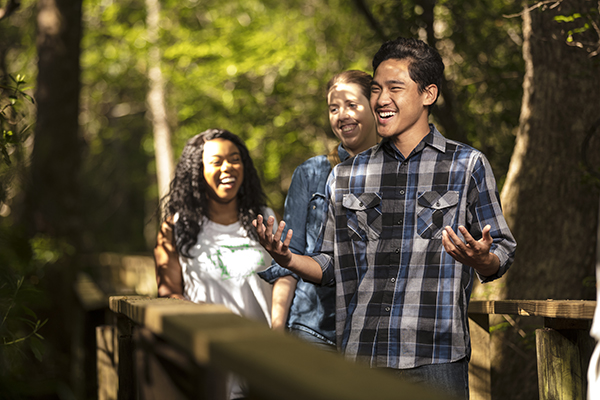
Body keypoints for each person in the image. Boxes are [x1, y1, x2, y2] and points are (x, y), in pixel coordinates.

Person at [253, 37, 517, 399]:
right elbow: (331, 265)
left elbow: (501, 250)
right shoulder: (347, 175)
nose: (380, 99)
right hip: (362, 356)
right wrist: (287, 258)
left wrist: (483, 259)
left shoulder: (466, 165)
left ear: (428, 94)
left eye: (395, 87)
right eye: (376, 89)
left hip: (437, 359)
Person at [257, 70, 378, 350]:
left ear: (374, 106)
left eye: (351, 105)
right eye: (333, 108)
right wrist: (276, 333)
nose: (341, 115)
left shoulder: (400, 171)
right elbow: (289, 258)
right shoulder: (312, 172)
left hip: (375, 339)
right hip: (312, 331)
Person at [154, 128, 276, 399]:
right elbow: (166, 295)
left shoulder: (265, 218)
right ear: (197, 171)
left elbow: (284, 280)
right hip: (210, 366)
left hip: (265, 364)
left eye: (234, 158)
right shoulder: (175, 227)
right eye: (216, 161)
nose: (227, 167)